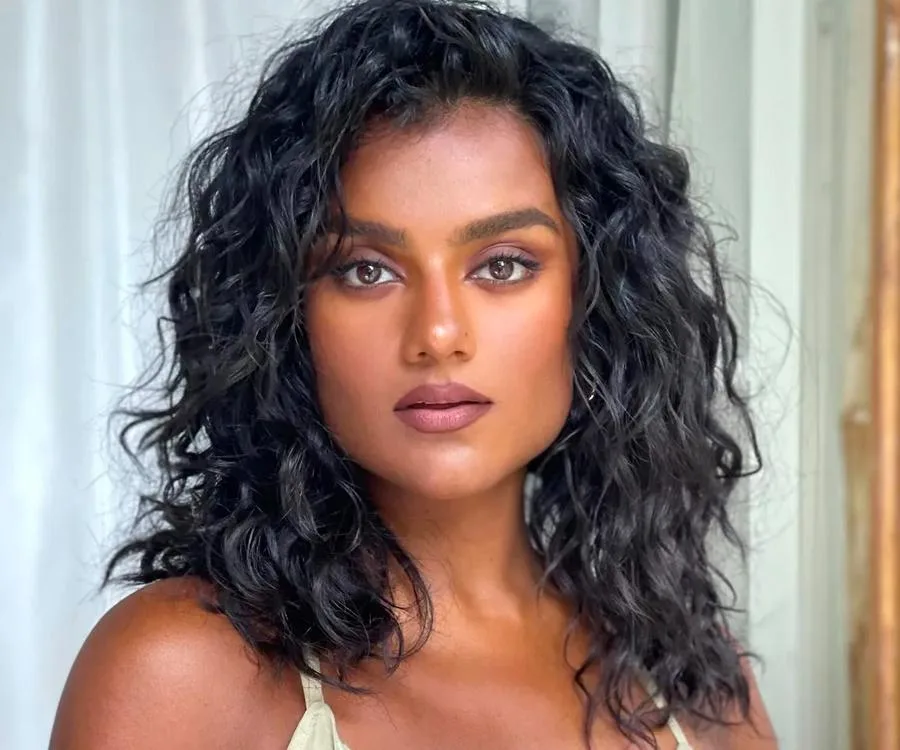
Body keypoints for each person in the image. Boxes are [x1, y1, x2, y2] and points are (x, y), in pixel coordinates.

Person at [50, 0, 778, 747]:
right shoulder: (179, 674)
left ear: (595, 301)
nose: (437, 334)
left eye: (502, 265)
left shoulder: (695, 677)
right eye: (365, 270)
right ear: (289, 317)